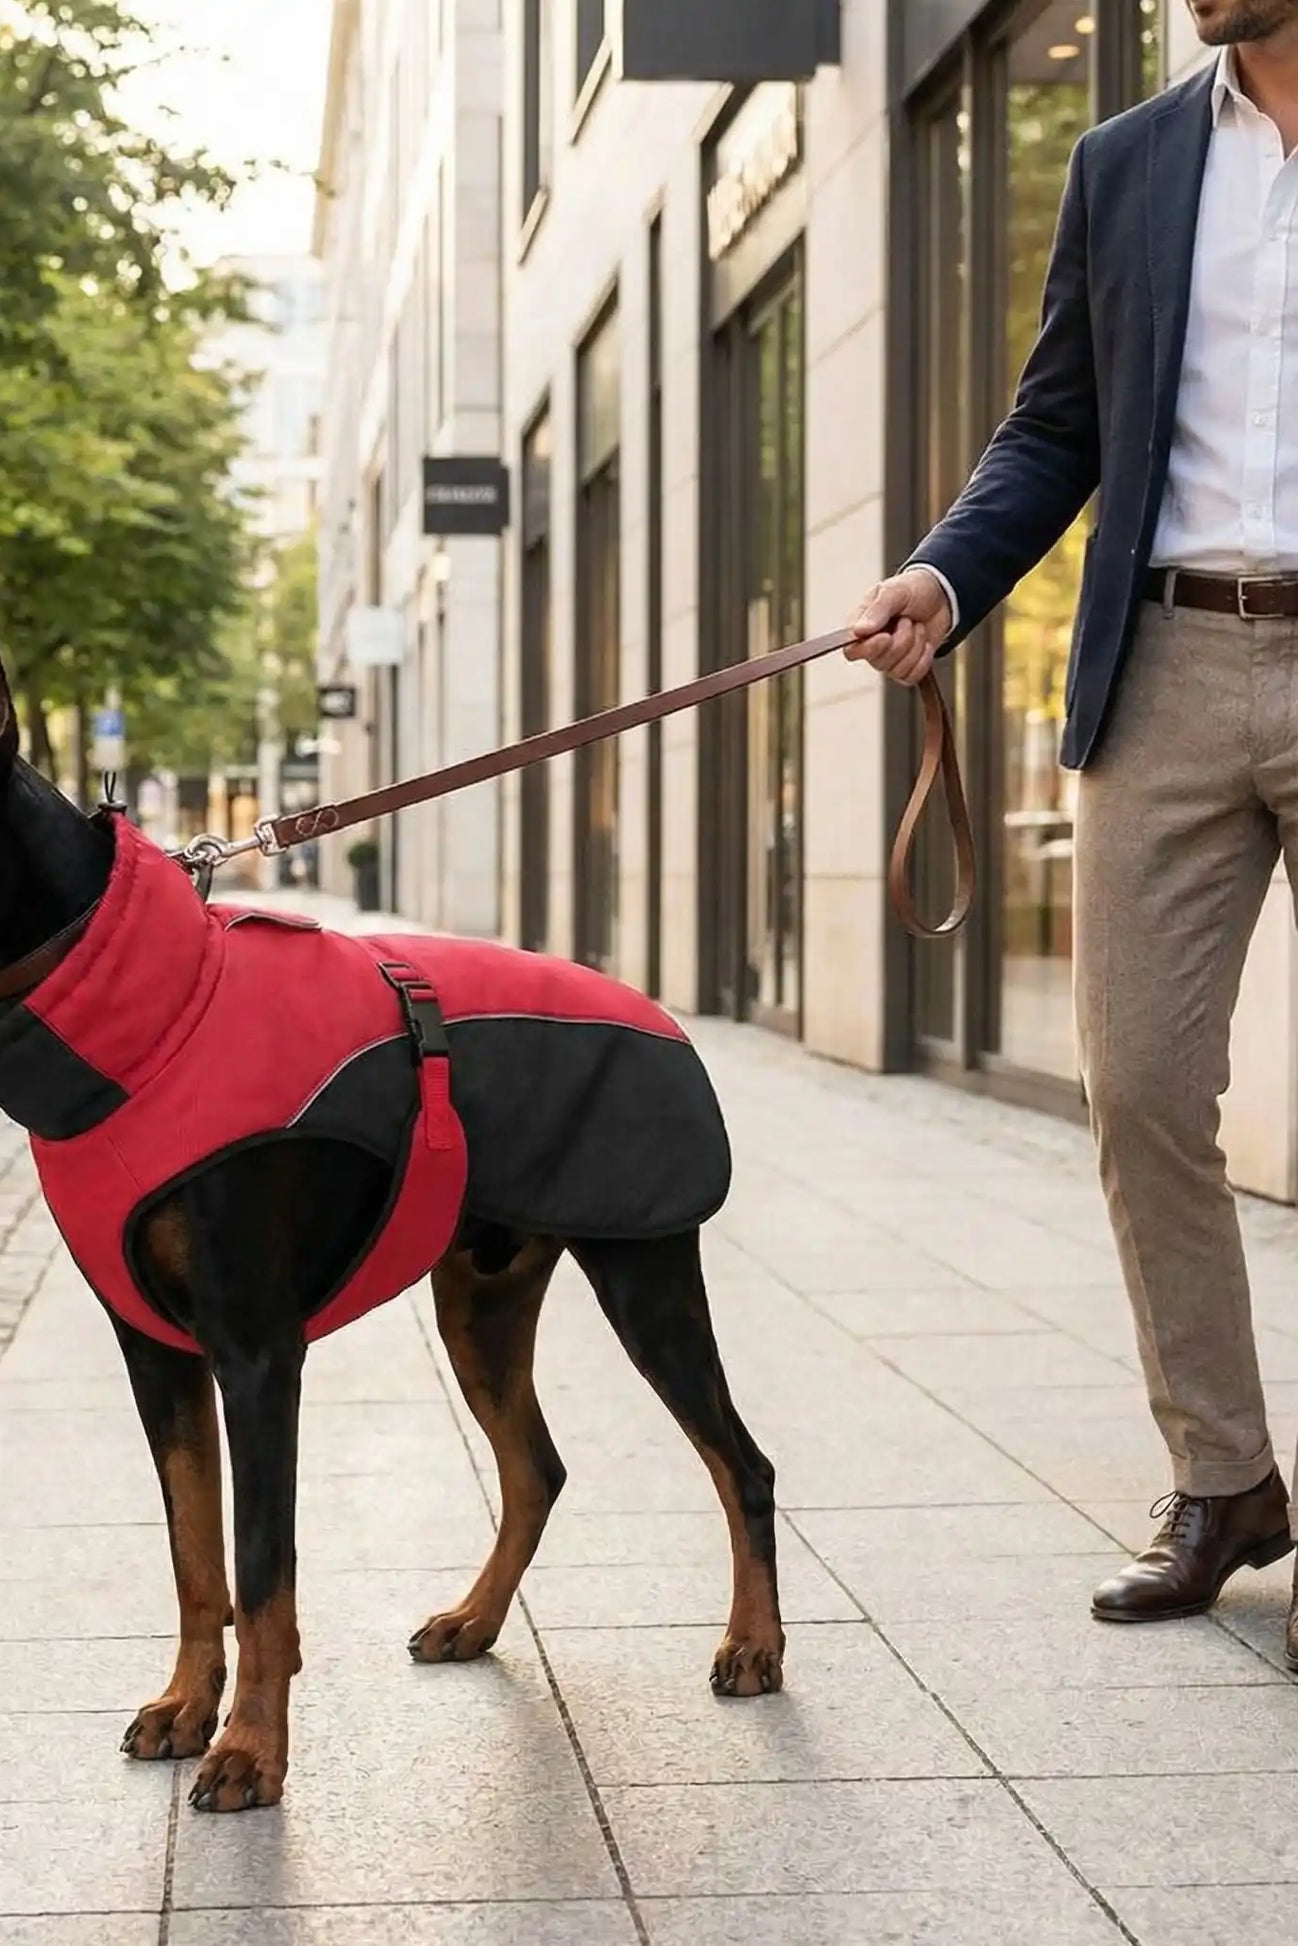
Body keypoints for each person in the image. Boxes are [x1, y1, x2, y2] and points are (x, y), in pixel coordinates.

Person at [850, 0, 1298, 1660]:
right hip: (1163, 661)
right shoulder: (1126, 163)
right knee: (1141, 1089)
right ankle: (1224, 1475)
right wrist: (944, 577)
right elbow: (1055, 423)